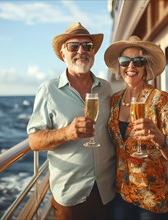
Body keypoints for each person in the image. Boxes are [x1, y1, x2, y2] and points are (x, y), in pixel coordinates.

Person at [26, 22, 116, 220]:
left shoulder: (106, 88)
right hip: (71, 195)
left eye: (88, 46)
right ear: (63, 53)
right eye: (73, 46)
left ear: (93, 53)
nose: (81, 51)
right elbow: (34, 141)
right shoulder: (48, 90)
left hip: (107, 190)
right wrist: (67, 132)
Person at [104, 36, 168, 220]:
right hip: (123, 190)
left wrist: (159, 138)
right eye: (125, 61)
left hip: (155, 196)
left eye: (138, 61)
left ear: (145, 67)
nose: (131, 66)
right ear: (120, 67)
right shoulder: (114, 101)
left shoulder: (162, 101)